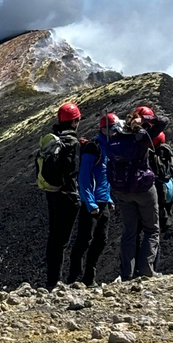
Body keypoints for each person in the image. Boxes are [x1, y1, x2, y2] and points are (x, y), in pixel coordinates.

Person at [106, 106, 168, 281]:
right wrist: (148, 120)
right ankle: (147, 270)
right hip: (143, 189)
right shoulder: (141, 138)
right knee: (151, 229)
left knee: (129, 232)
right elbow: (164, 121)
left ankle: (127, 273)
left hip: (122, 190)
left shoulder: (116, 137)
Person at [67, 113, 120, 286]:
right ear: (105, 129)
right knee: (84, 240)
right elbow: (84, 177)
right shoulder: (93, 147)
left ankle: (89, 277)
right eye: (113, 128)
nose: (116, 131)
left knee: (101, 240)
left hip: (103, 202)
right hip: (91, 204)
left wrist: (109, 199)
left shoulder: (109, 147)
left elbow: (105, 177)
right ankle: (74, 278)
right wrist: (90, 202)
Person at [39, 102, 81, 290]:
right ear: (74, 122)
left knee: (53, 236)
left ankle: (51, 279)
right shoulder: (72, 143)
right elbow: (70, 173)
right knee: (61, 240)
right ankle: (54, 282)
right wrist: (75, 197)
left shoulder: (55, 140)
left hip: (52, 192)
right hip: (66, 196)